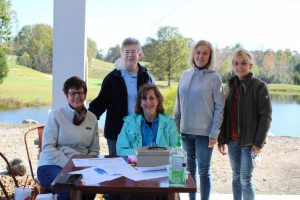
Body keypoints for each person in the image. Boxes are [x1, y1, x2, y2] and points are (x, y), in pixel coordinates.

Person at [173, 40, 225, 200]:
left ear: (210, 57)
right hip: (185, 131)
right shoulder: (185, 75)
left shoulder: (215, 78)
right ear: (193, 54)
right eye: (198, 52)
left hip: (205, 134)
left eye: (205, 53)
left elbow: (220, 108)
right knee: (189, 170)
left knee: (203, 171)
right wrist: (175, 126)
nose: (200, 56)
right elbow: (178, 103)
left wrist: (214, 133)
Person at [218, 49, 272, 200]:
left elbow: (266, 117)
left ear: (250, 65)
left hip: (250, 143)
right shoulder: (229, 86)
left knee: (245, 179)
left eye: (243, 63)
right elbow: (224, 114)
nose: (240, 67)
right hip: (232, 141)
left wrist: (259, 143)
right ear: (232, 65)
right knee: (235, 176)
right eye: (236, 63)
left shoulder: (259, 86)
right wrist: (222, 139)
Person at [37, 76, 100, 200]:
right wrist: (70, 164)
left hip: (81, 165)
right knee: (67, 187)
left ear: (85, 95)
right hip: (52, 164)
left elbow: (94, 149)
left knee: (91, 188)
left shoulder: (92, 118)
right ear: (67, 96)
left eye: (80, 93)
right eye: (72, 93)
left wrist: (85, 164)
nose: (77, 96)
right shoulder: (56, 115)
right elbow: (48, 147)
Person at [89, 37, 154, 156]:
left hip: (141, 131)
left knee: (140, 169)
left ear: (139, 54)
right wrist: (85, 117)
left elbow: (154, 104)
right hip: (116, 133)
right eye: (127, 51)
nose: (130, 55)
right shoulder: (112, 78)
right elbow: (101, 103)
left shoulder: (146, 76)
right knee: (117, 169)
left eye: (134, 51)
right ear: (121, 54)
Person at [117, 83, 179, 156]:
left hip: (162, 165)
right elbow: (120, 150)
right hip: (136, 165)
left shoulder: (169, 123)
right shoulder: (129, 122)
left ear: (158, 101)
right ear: (140, 103)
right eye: (144, 98)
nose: (148, 102)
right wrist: (143, 153)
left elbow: (176, 150)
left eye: (151, 98)